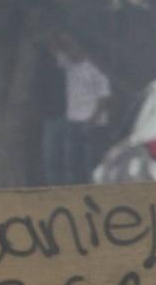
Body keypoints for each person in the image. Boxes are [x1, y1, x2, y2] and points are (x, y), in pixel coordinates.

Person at [44, 34, 111, 185]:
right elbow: (54, 49)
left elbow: (104, 97)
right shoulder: (69, 65)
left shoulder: (95, 69)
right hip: (73, 120)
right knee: (73, 164)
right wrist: (62, 37)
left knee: (91, 163)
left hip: (91, 122)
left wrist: (93, 118)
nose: (70, 53)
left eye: (74, 49)